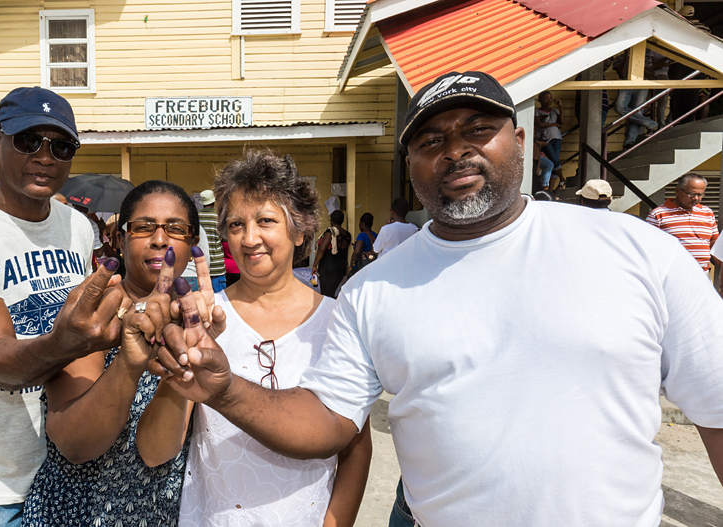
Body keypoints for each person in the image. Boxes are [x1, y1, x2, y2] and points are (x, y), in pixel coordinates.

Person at [150, 71, 723, 527]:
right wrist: (224, 389)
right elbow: (328, 422)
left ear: (518, 140)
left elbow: (717, 410)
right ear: (412, 164)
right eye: (431, 140)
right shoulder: (371, 290)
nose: (454, 151)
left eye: (477, 130)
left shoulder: (638, 251)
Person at [0, 86, 128, 526]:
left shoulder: (75, 225)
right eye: (28, 140)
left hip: (72, 465)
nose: (45, 156)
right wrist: (65, 342)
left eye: (61, 145)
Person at [137, 150, 372, 527]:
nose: (249, 238)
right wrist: (180, 372)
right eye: (234, 225)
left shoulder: (339, 321)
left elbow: (356, 447)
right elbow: (153, 452)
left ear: (300, 230)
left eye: (265, 220)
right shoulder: (205, 320)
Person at [22, 180, 213, 526]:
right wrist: (128, 363)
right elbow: (75, 444)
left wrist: (185, 357)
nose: (159, 239)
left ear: (193, 244)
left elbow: (159, 453)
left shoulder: (194, 318)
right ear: (120, 240)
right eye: (143, 227)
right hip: (75, 514)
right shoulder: (93, 312)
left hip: (155, 514)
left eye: (175, 229)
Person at [646, 173, 719, 273]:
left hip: (703, 274)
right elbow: (647, 245)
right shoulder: (658, 214)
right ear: (677, 191)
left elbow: (714, 243)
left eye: (700, 194)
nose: (696, 198)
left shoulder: (707, 213)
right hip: (673, 274)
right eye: (691, 194)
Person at [311, 209, 350, 298]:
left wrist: (314, 265)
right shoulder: (347, 235)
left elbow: (322, 249)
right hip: (340, 267)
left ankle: (327, 310)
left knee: (325, 293)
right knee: (333, 293)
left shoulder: (330, 232)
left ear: (331, 220)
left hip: (328, 267)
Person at [198, 189, 228, 292]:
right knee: (219, 299)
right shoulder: (219, 217)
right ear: (213, 202)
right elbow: (225, 237)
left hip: (201, 265)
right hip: (217, 265)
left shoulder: (197, 218)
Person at [534, 91, 564, 189]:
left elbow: (562, 122)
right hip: (545, 139)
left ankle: (551, 189)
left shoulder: (554, 111)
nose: (549, 100)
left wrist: (560, 106)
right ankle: (562, 179)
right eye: (546, 98)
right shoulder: (537, 111)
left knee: (555, 162)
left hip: (557, 138)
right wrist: (554, 124)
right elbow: (540, 124)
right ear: (540, 100)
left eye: (550, 98)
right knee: (555, 161)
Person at [348, 212, 377, 277]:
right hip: (372, 265)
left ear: (362, 224)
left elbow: (357, 252)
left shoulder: (362, 235)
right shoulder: (375, 235)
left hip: (360, 266)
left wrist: (351, 265)